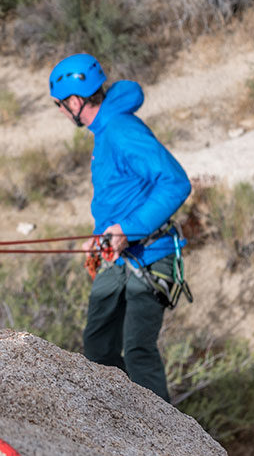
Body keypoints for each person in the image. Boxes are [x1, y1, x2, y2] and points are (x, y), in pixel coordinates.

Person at [48, 53, 191, 402]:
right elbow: (122, 195)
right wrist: (102, 236)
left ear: (76, 101)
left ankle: (162, 436)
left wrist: (128, 228)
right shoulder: (106, 131)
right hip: (120, 254)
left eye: (59, 105)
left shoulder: (122, 130)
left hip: (151, 253)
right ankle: (120, 419)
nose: (60, 112)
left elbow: (175, 182)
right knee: (98, 345)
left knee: (137, 348)